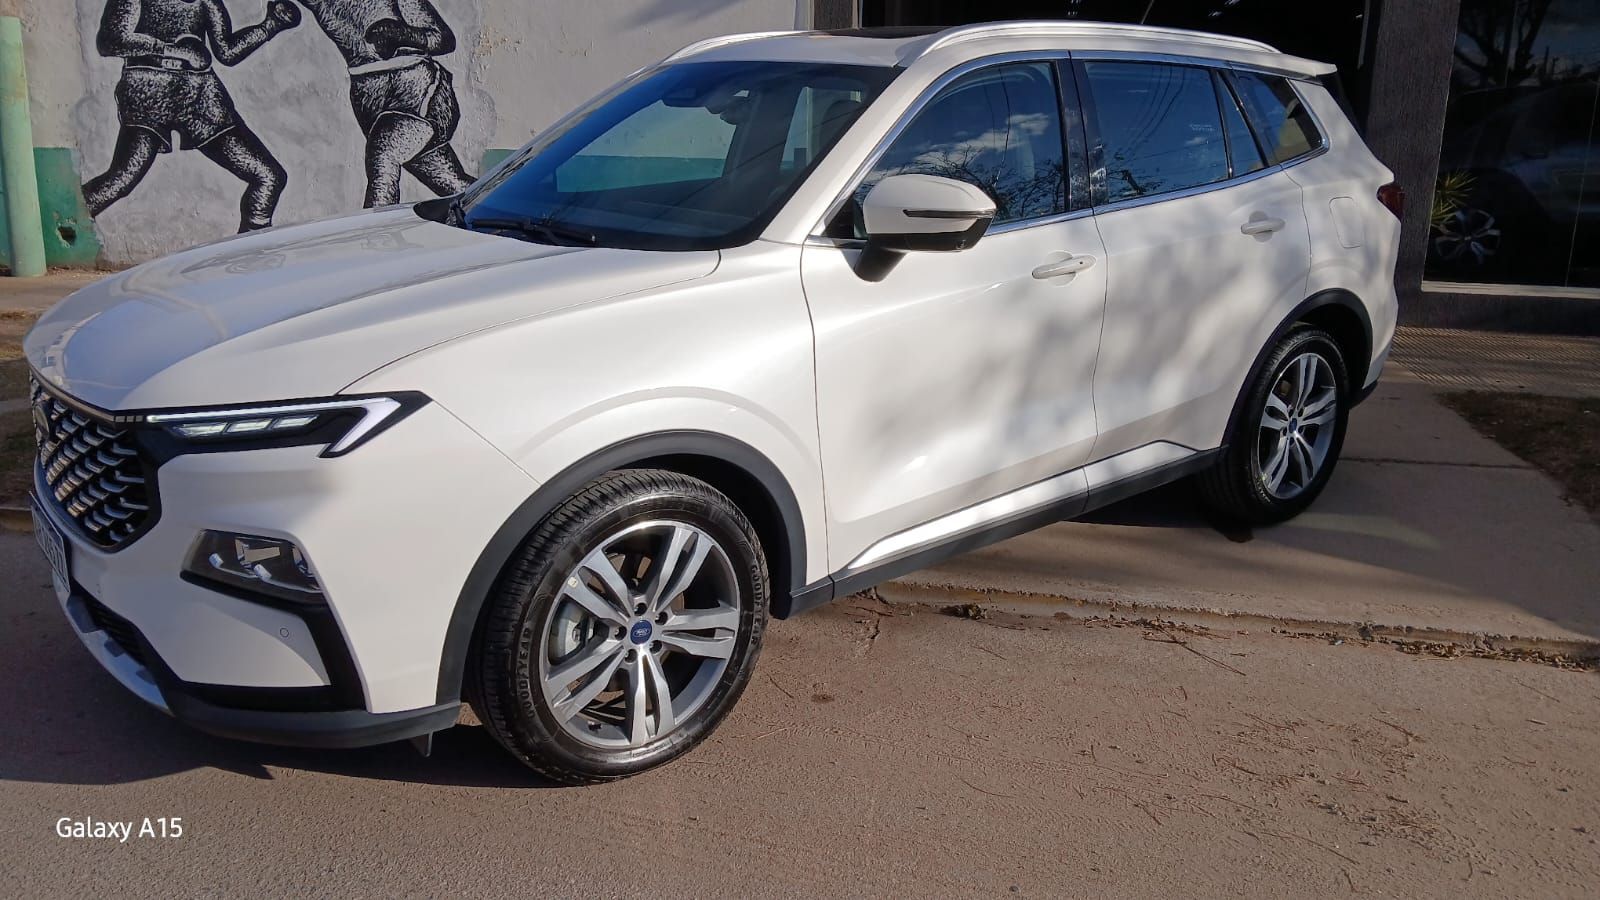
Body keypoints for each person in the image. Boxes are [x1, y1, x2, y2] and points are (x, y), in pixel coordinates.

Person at [81, 0, 301, 232]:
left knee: (269, 176)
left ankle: (253, 248)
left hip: (201, 96)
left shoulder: (206, 3)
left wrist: (269, 26)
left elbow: (227, 52)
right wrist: (173, 51)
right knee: (122, 179)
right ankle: (64, 222)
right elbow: (110, 41)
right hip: (148, 91)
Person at [298, 0, 476, 207]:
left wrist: (403, 34)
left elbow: (443, 39)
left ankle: (375, 237)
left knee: (383, 157)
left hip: (415, 88)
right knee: (455, 186)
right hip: (369, 98)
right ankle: (507, 212)